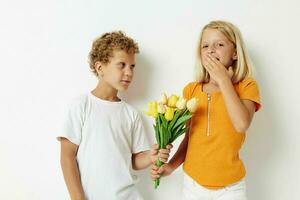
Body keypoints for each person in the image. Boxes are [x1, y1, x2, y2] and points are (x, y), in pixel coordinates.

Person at [151, 20, 262, 200]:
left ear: (235, 53)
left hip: (231, 188)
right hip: (193, 183)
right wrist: (171, 166)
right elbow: (189, 138)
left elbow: (241, 124)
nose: (211, 50)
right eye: (205, 46)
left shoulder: (247, 86)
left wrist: (224, 80)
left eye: (219, 44)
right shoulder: (191, 90)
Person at [57, 31, 172, 200]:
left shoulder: (131, 114)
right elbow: (67, 157)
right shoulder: (81, 105)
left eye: (132, 66)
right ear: (100, 67)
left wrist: (150, 157)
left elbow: (133, 161)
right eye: (122, 65)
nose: (129, 72)